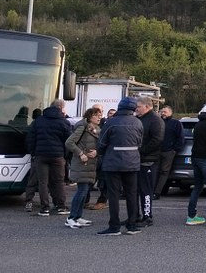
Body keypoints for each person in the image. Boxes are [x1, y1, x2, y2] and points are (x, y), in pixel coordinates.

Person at [96, 97, 143, 235]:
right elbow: (140, 142)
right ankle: (132, 225)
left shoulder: (111, 122)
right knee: (131, 194)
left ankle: (114, 226)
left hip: (113, 163)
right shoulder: (138, 123)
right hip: (132, 163)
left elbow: (102, 143)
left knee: (114, 195)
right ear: (133, 109)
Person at [27, 99, 72, 216]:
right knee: (58, 182)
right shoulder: (64, 122)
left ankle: (44, 208)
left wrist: (33, 152)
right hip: (58, 156)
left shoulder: (38, 121)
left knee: (43, 182)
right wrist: (65, 155)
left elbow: (30, 139)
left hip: (41, 156)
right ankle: (60, 206)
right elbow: (69, 141)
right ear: (61, 108)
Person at [64, 107, 101, 228]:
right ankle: (71, 217)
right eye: (97, 115)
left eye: (100, 114)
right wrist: (81, 154)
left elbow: (98, 145)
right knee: (81, 191)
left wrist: (96, 152)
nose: (100, 117)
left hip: (90, 164)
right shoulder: (82, 128)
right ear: (90, 117)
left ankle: (78, 216)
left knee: (84, 192)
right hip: (82, 164)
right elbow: (69, 142)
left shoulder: (97, 129)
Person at [134, 97, 164, 227]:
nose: (136, 109)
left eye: (138, 106)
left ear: (147, 106)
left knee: (146, 191)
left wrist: (141, 151)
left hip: (148, 161)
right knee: (134, 190)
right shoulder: (139, 119)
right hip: (137, 160)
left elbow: (157, 140)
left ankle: (147, 216)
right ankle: (134, 215)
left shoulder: (155, 120)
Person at [154, 106, 184, 199]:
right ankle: (152, 191)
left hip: (169, 152)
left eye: (165, 112)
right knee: (155, 171)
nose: (163, 113)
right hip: (157, 151)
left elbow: (180, 138)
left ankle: (157, 193)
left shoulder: (176, 123)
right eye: (162, 112)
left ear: (171, 113)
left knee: (164, 172)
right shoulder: (158, 122)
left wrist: (174, 150)